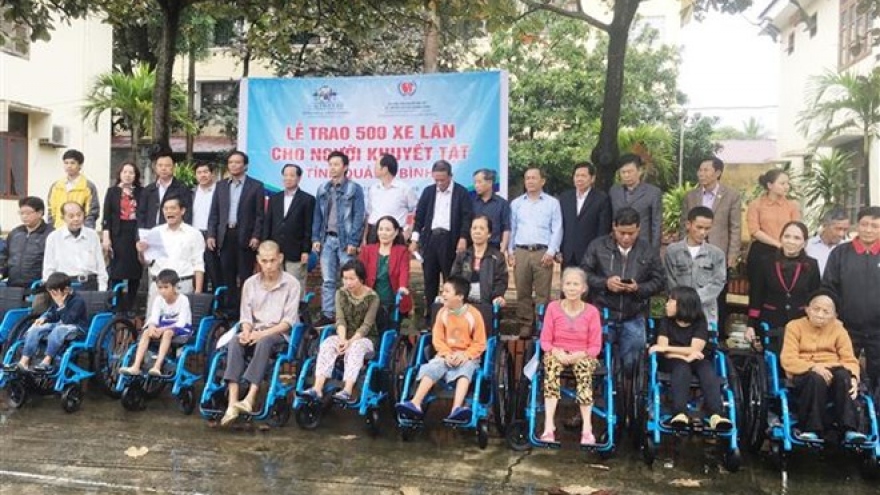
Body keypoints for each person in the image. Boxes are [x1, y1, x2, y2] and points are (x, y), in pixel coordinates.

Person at [221, 241, 301, 426]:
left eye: (272, 260)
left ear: (280, 258)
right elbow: (245, 316)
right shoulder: (250, 283)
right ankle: (232, 402)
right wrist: (247, 331)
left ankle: (250, 397)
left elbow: (288, 322)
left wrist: (262, 334)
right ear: (258, 260)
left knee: (265, 342)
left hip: (278, 333)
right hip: (254, 329)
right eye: (264, 261)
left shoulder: (291, 284)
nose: (269, 266)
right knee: (235, 341)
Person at [581, 207, 665, 372]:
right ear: (614, 227)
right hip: (601, 312)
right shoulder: (598, 246)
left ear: (638, 229)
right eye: (622, 233)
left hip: (633, 314)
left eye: (631, 233)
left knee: (632, 365)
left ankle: (628, 395)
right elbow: (583, 274)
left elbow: (660, 281)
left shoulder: (647, 250)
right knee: (596, 361)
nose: (626, 238)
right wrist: (605, 283)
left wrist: (638, 288)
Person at [395, 275, 487, 423]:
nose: (443, 294)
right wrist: (446, 354)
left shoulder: (473, 315)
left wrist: (465, 355)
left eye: (447, 291)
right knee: (432, 367)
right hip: (445, 354)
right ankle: (416, 402)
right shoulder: (442, 313)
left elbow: (480, 342)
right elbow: (437, 339)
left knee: (465, 372)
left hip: (467, 356)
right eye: (443, 291)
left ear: (460, 296)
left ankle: (456, 408)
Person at [780, 289, 865, 443]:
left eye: (826, 311)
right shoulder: (794, 327)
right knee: (816, 378)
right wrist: (813, 366)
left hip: (834, 370)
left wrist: (853, 377)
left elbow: (849, 359)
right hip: (804, 371)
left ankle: (849, 429)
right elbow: (788, 358)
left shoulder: (839, 330)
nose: (820, 314)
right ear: (807, 309)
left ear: (834, 315)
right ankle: (811, 429)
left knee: (843, 376)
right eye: (816, 309)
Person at [649, 286, 732, 431]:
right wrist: (687, 356)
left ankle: (717, 415)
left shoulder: (700, 321)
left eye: (671, 301)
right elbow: (664, 351)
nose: (667, 304)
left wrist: (670, 349)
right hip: (671, 361)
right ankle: (680, 413)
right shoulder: (665, 321)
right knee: (681, 367)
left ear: (682, 304)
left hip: (697, 359)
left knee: (707, 369)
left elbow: (694, 349)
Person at [538, 267, 602, 446]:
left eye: (576, 284)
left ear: (584, 288)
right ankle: (549, 426)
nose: (572, 288)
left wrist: (580, 355)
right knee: (550, 368)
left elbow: (595, 346)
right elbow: (545, 341)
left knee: (584, 371)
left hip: (583, 354)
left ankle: (587, 429)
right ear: (562, 287)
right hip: (556, 352)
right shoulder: (553, 308)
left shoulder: (592, 312)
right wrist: (556, 351)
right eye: (568, 284)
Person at [302, 260, 381, 403]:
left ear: (361, 279)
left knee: (356, 348)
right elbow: (340, 319)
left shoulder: (373, 297)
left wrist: (350, 342)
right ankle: (317, 387)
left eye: (352, 279)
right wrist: (343, 339)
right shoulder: (340, 293)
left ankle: (347, 390)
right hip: (344, 334)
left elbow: (366, 325)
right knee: (327, 343)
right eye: (345, 279)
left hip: (366, 338)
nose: (348, 282)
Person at [681, 157, 742, 331]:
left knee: (717, 296)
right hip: (692, 251)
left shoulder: (731, 195)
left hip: (718, 253)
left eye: (706, 170)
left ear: (718, 173)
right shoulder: (691, 196)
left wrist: (732, 256)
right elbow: (683, 225)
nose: (701, 173)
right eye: (700, 170)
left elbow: (735, 227)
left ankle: (715, 334)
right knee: (690, 291)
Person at [823, 206, 880, 388]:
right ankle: (847, 415)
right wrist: (834, 318)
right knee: (845, 377)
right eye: (864, 224)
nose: (868, 230)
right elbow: (828, 288)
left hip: (878, 330)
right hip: (846, 328)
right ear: (857, 225)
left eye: (875, 226)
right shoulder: (840, 253)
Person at [410, 160, 472, 325]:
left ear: (450, 176)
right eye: (436, 180)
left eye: (442, 180)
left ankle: (452, 316)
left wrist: (463, 237)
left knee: (450, 279)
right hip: (430, 239)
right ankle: (430, 317)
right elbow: (419, 217)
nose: (439, 183)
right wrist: (415, 239)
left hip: (451, 240)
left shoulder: (461, 192)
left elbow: (467, 218)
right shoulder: (429, 192)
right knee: (429, 279)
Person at [745, 221, 820, 353]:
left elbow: (815, 297)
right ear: (781, 238)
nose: (791, 241)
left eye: (797, 238)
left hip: (801, 324)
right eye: (787, 236)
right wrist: (751, 325)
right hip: (770, 323)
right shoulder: (765, 262)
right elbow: (756, 295)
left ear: (805, 242)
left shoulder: (812, 265)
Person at [312, 151, 366, 326]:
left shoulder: (354, 188)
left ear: (345, 167)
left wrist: (353, 241)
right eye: (330, 164)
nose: (332, 168)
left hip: (345, 242)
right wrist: (316, 238)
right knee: (328, 280)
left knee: (349, 279)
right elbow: (318, 216)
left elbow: (359, 216)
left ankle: (348, 315)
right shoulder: (323, 188)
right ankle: (328, 314)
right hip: (327, 239)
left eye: (336, 164)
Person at [207, 150, 265, 307]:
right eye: (231, 162)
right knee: (227, 275)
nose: (234, 165)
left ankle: (245, 310)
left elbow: (260, 215)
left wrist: (256, 236)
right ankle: (230, 310)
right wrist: (211, 235)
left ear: (245, 166)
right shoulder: (220, 186)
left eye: (238, 162)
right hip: (225, 236)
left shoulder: (256, 186)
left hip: (245, 237)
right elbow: (214, 213)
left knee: (246, 276)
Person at [509, 167, 562, 338]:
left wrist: (552, 251)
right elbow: (512, 228)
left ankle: (542, 324)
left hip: (542, 252)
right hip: (521, 251)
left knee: (542, 293)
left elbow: (557, 228)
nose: (530, 181)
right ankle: (525, 324)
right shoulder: (517, 203)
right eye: (527, 178)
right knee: (522, 291)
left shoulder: (552, 203)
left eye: (534, 178)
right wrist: (511, 251)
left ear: (542, 181)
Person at [137, 196, 205, 316]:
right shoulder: (155, 232)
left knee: (178, 326)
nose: (169, 212)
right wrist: (141, 252)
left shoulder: (194, 234)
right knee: (152, 324)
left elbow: (198, 264)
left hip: (182, 285)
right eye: (166, 209)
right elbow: (146, 262)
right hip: (158, 285)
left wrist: (198, 293)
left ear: (182, 211)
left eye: (173, 208)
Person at [119, 269, 192, 377]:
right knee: (146, 332)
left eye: (166, 287)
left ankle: (157, 366)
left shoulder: (183, 300)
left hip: (182, 327)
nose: (162, 291)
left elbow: (181, 323)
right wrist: (153, 327)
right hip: (164, 324)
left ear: (174, 286)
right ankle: (136, 366)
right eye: (160, 288)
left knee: (167, 333)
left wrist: (162, 330)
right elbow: (154, 318)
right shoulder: (158, 299)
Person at [13, 272, 88, 372]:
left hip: (76, 327)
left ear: (65, 289)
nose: (53, 296)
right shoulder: (58, 297)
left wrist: (61, 305)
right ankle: (24, 360)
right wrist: (44, 318)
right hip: (60, 324)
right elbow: (53, 312)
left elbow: (68, 320)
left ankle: (47, 360)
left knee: (58, 330)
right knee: (36, 328)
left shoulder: (78, 301)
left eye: (54, 293)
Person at [664, 206, 727, 326]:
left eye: (707, 228)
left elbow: (718, 283)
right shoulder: (673, 251)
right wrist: (681, 301)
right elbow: (669, 280)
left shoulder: (717, 254)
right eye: (699, 227)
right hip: (678, 312)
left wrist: (693, 299)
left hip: (706, 313)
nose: (703, 232)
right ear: (688, 225)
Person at [745, 168, 800, 287]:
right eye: (782, 183)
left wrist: (786, 245)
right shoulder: (756, 205)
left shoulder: (792, 206)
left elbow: (797, 229)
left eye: (788, 183)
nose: (786, 187)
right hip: (761, 251)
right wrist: (777, 244)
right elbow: (754, 231)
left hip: (786, 252)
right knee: (758, 289)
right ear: (770, 185)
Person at [450, 215, 507, 328]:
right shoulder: (463, 256)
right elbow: (454, 280)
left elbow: (501, 281)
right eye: (474, 228)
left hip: (486, 305)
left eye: (481, 228)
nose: (477, 232)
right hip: (463, 304)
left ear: (489, 234)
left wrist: (497, 296)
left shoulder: (497, 257)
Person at [264, 163, 315, 288]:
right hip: (275, 250)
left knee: (295, 284)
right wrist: (265, 247)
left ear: (299, 178)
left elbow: (309, 226)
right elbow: (268, 223)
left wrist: (305, 250)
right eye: (285, 175)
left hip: (296, 251)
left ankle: (298, 307)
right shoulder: (275, 198)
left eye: (292, 175)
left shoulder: (307, 199)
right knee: (275, 283)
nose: (288, 178)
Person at [101, 161, 143, 313]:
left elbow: (143, 214)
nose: (127, 175)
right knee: (117, 270)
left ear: (135, 175)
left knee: (135, 271)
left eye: (131, 172)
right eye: (125, 172)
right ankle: (118, 304)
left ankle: (131, 304)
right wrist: (106, 237)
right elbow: (106, 216)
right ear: (120, 174)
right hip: (117, 233)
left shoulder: (140, 192)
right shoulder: (112, 191)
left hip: (135, 233)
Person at [43, 202, 108, 291]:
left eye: (79, 215)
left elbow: (100, 265)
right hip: (64, 286)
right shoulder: (53, 237)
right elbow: (48, 268)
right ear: (63, 218)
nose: (76, 219)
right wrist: (51, 290)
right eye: (71, 216)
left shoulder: (92, 235)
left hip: (90, 283)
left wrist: (102, 289)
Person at [558, 162, 612, 270]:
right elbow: (560, 225)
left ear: (592, 178)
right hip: (567, 254)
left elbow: (603, 229)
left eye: (583, 176)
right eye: (577, 176)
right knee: (569, 285)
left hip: (590, 254)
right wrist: (559, 249)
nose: (579, 179)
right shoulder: (565, 197)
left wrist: (597, 252)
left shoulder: (601, 199)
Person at [358, 215, 413, 318]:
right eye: (381, 229)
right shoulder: (367, 250)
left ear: (396, 232)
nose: (383, 233)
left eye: (388, 230)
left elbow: (404, 272)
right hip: (370, 300)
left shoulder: (402, 251)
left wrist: (402, 287)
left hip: (393, 301)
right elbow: (359, 273)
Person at [608, 154, 662, 251]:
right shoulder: (614, 191)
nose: (626, 175)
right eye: (623, 172)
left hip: (642, 245)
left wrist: (654, 250)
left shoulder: (653, 193)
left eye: (630, 172)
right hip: (618, 245)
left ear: (640, 171)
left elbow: (656, 224)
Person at [364, 153, 417, 244]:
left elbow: (417, 211)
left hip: (395, 234)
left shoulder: (404, 189)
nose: (374, 169)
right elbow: (369, 214)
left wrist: (408, 231)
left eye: (376, 165)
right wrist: (364, 237)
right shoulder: (373, 188)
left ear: (385, 169)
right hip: (374, 232)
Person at [1, 197, 53, 287]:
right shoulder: (15, 233)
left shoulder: (50, 234)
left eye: (28, 213)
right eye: (21, 213)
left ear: (40, 213)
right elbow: (4, 257)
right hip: (13, 285)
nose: (24, 216)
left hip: (38, 287)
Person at [138, 148, 192, 229]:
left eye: (167, 165)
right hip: (150, 233)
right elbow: (141, 215)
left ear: (173, 167)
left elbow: (187, 215)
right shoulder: (148, 190)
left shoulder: (182, 189)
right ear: (155, 167)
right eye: (160, 165)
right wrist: (140, 236)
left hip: (172, 234)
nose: (163, 168)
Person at [46, 149, 100, 229]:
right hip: (59, 230)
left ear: (80, 165)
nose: (69, 166)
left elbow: (92, 212)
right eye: (66, 163)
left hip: (79, 230)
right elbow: (51, 210)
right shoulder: (56, 186)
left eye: (72, 163)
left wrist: (86, 230)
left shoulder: (88, 186)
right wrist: (51, 228)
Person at [191, 162, 220, 292]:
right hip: (194, 234)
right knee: (197, 270)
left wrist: (212, 234)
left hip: (212, 234)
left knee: (214, 271)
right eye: (199, 172)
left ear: (212, 174)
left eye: (205, 172)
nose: (203, 175)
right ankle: (198, 301)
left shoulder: (220, 191)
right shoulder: (191, 192)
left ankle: (217, 304)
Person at [471, 168, 511, 252]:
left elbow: (506, 228)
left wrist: (502, 250)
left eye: (479, 182)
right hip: (474, 248)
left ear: (490, 183)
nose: (476, 185)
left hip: (495, 248)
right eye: (475, 182)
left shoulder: (502, 203)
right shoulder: (471, 203)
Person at [806, 207, 850, 277]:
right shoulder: (808, 246)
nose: (841, 234)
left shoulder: (849, 248)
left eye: (845, 230)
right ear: (825, 225)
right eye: (838, 229)